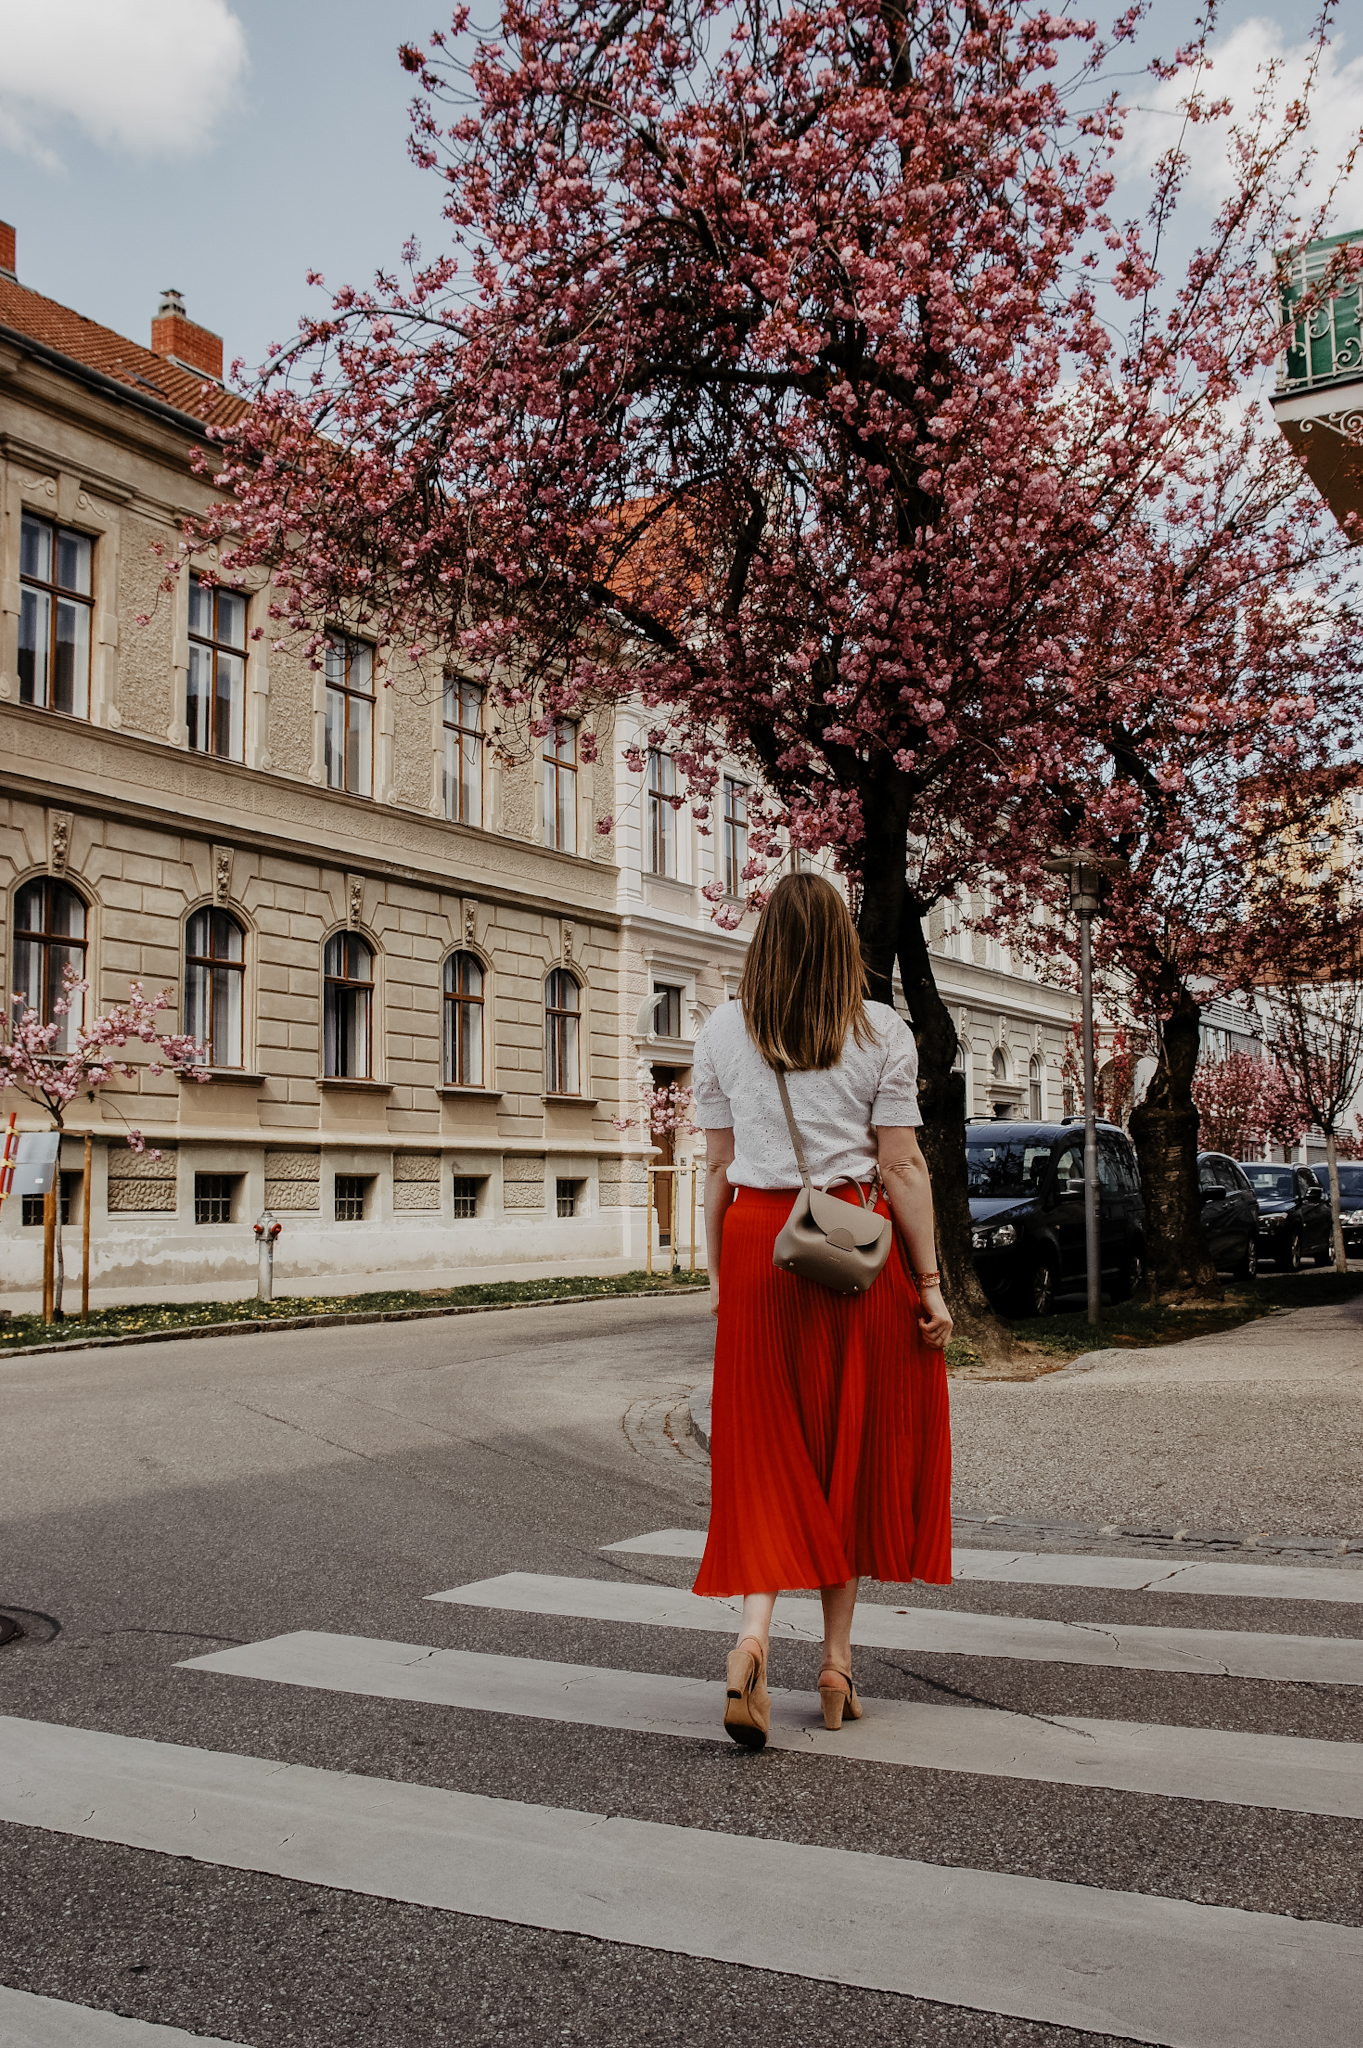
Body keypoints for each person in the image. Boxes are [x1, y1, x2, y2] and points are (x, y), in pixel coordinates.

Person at [691, 872, 953, 1749]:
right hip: (847, 1245)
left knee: (768, 1451)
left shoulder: (724, 1028)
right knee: (848, 1443)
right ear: (844, 939)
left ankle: (752, 1638)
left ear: (764, 938)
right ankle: (836, 1663)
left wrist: (716, 1271)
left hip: (758, 1242)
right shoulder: (881, 1030)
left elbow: (718, 1167)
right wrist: (927, 1286)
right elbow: (905, 1168)